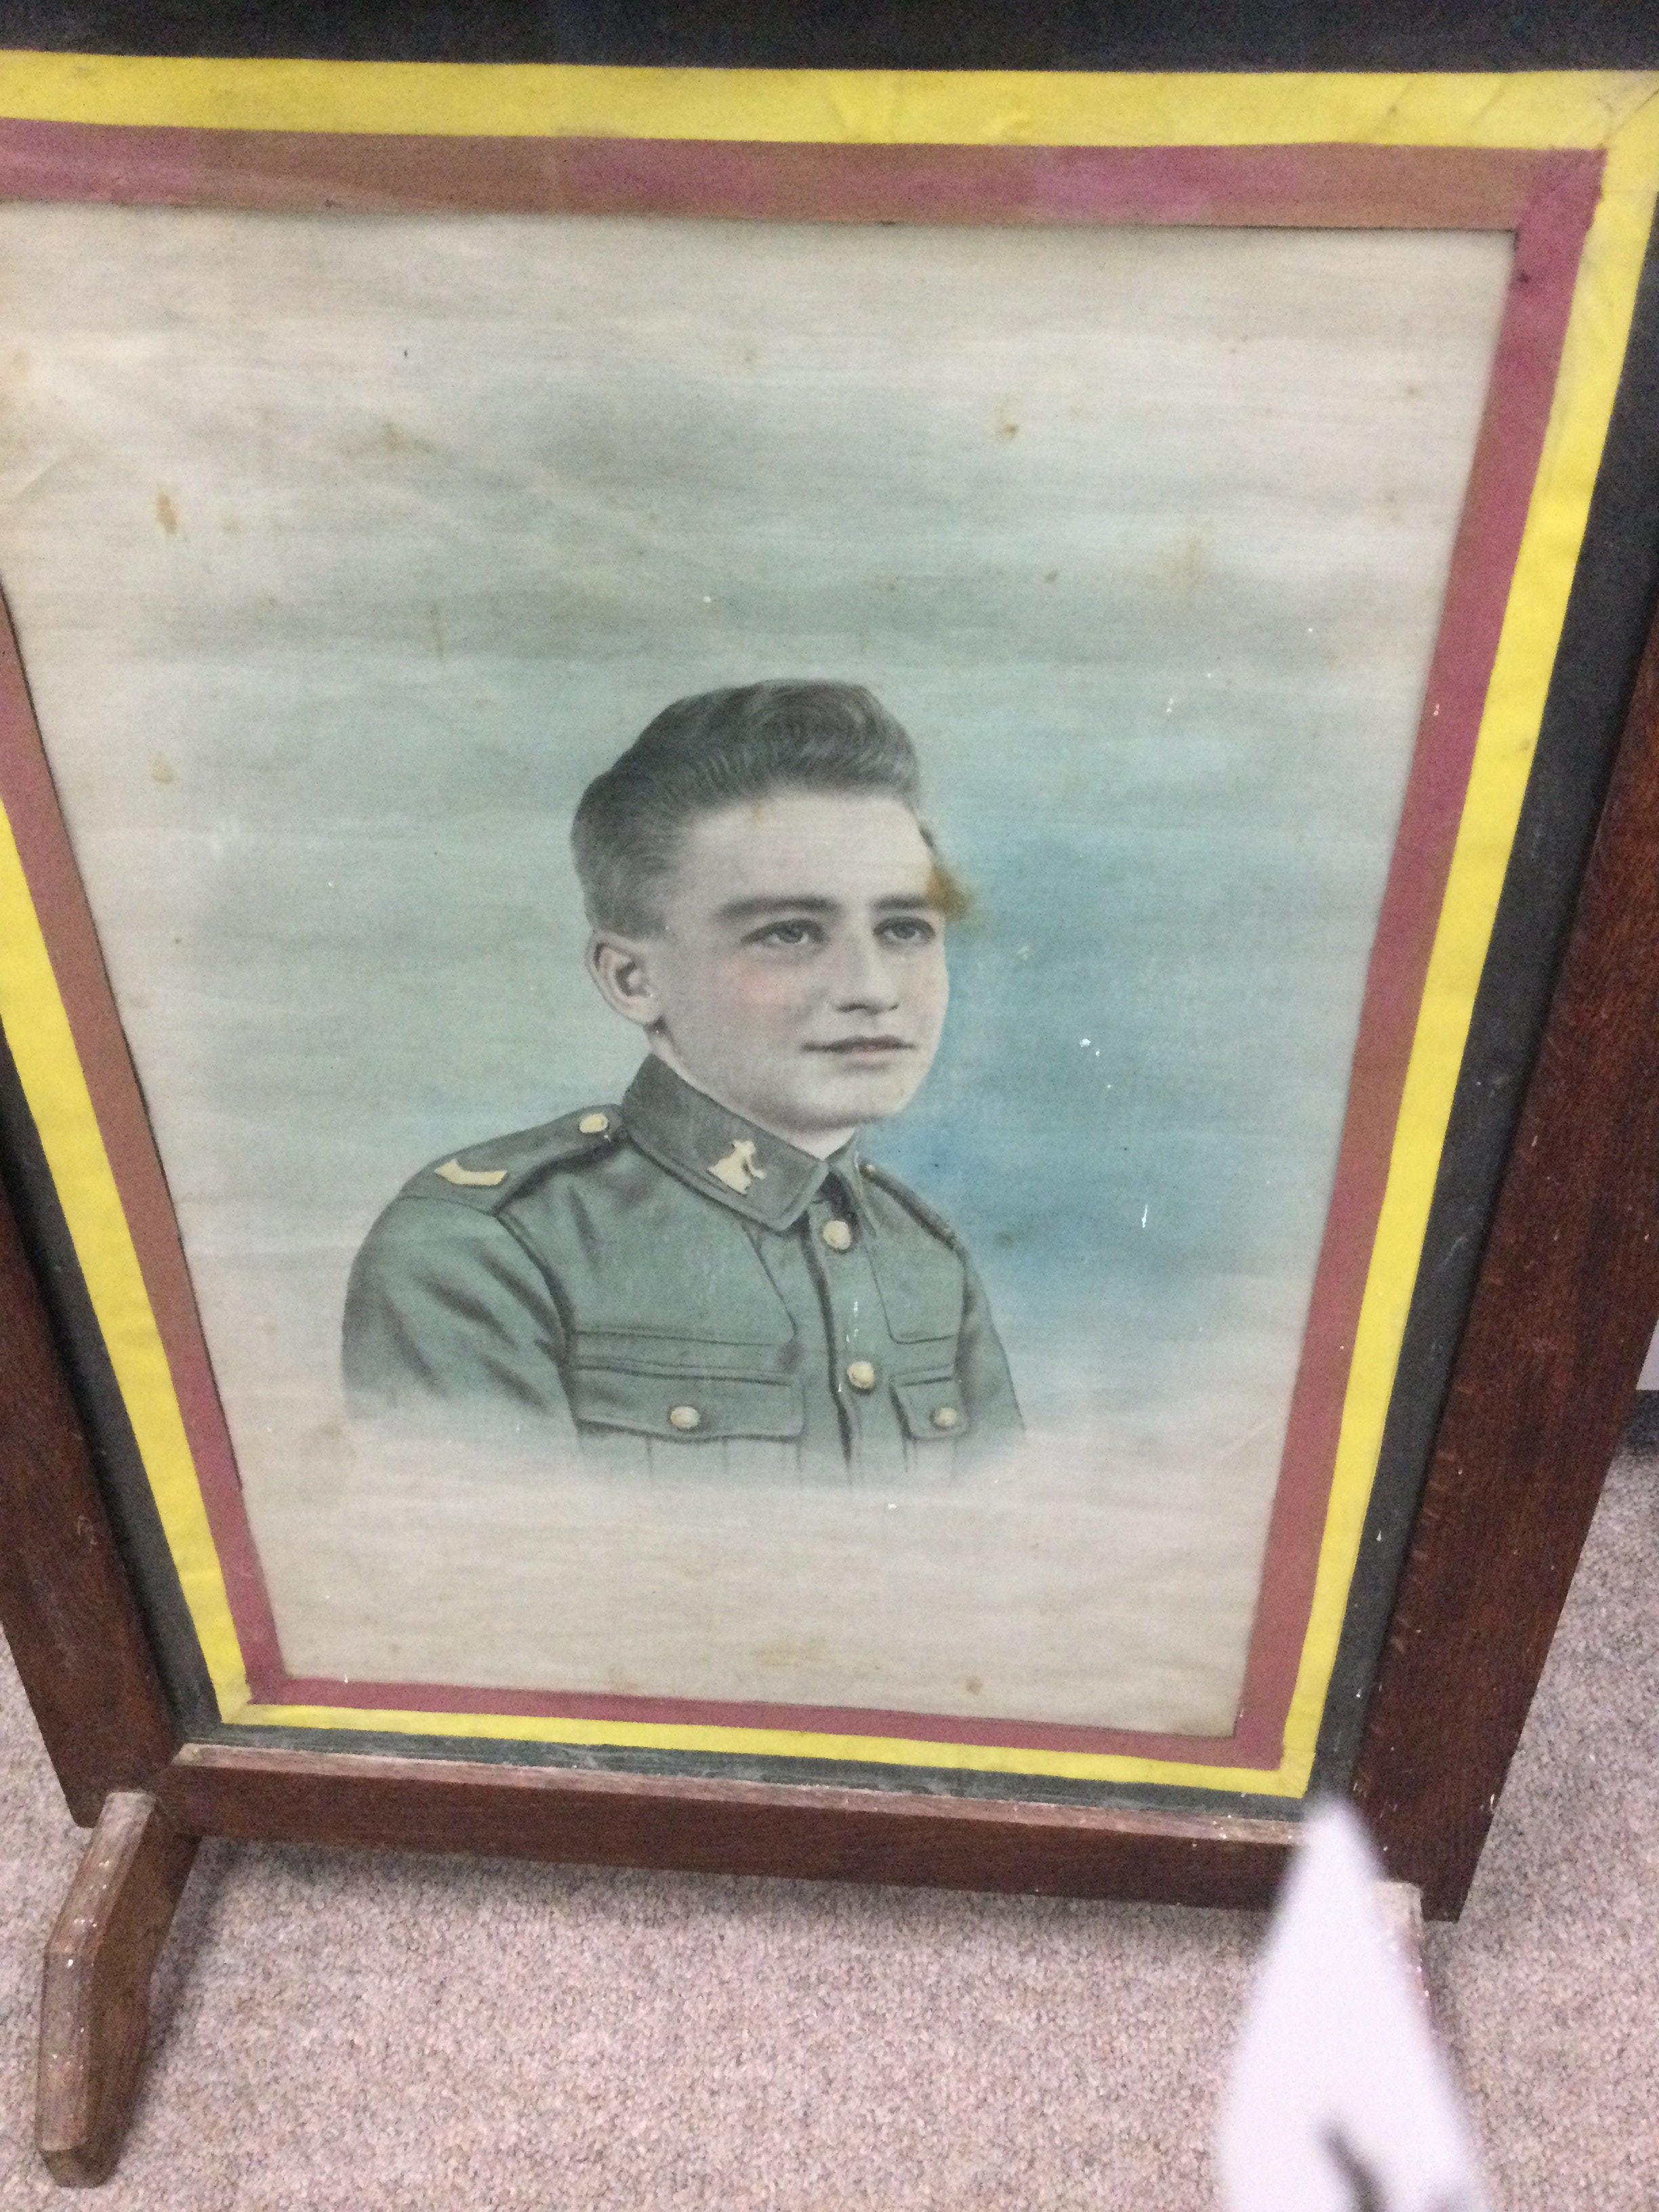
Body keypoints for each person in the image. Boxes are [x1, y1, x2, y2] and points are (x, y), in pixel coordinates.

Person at [342, 679, 1021, 1478]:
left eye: (904, 928)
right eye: (792, 933)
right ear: (633, 980)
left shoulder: (922, 1258)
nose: (872, 986)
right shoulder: (485, 1251)